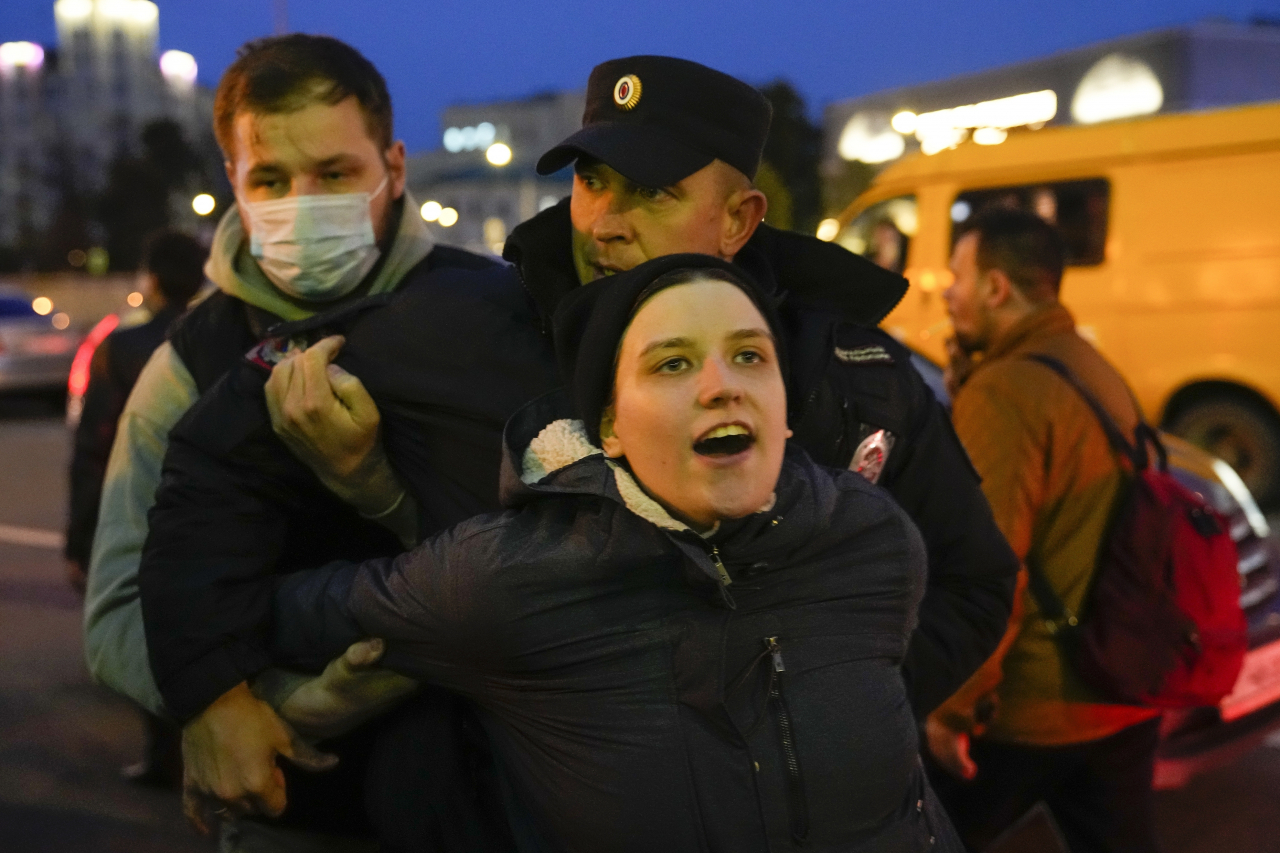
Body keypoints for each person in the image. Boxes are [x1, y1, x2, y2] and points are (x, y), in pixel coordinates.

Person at [138, 55, 1017, 841]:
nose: (604, 222)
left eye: (654, 192)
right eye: (595, 182)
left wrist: (835, 708)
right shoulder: (460, 328)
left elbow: (974, 576)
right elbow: (218, 459)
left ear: (741, 217)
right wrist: (212, 691)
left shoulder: (846, 373)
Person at [268, 253, 964, 852]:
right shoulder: (511, 574)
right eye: (672, 363)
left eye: (750, 355)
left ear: (783, 407)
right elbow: (292, 612)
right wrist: (231, 699)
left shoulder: (873, 537)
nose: (722, 384)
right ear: (610, 427)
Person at [83, 33, 553, 852]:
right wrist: (227, 703)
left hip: (502, 791)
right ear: (232, 183)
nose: (303, 204)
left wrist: (375, 487)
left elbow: (555, 556)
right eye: (270, 179)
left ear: (394, 168)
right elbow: (119, 613)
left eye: (335, 175)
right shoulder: (190, 362)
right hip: (290, 810)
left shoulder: (495, 313)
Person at [925, 208, 1162, 852]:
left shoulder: (1007, 392)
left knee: (917, 837)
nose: (945, 292)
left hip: (1032, 709)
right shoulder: (1089, 365)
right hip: (1120, 683)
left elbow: (988, 567)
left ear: (997, 289)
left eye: (957, 276)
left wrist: (952, 708)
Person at [66, 229, 207, 786]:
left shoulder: (122, 348)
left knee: (149, 627)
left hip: (144, 508)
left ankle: (163, 754)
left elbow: (94, 449)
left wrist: (80, 538)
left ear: (150, 280)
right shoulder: (215, 336)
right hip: (210, 508)